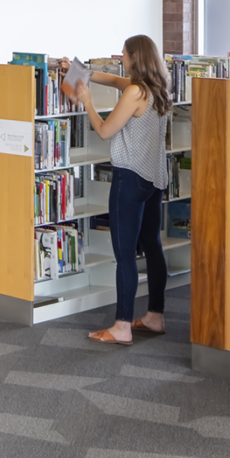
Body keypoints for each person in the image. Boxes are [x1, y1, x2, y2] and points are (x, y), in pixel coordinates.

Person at [63, 35, 171, 345]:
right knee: (153, 247)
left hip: (130, 178)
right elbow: (112, 79)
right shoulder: (158, 87)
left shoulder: (134, 92)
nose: (120, 58)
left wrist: (87, 100)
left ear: (135, 57)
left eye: (123, 54)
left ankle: (122, 326)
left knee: (124, 255)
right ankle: (155, 317)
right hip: (154, 179)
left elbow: (104, 130)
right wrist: (80, 71)